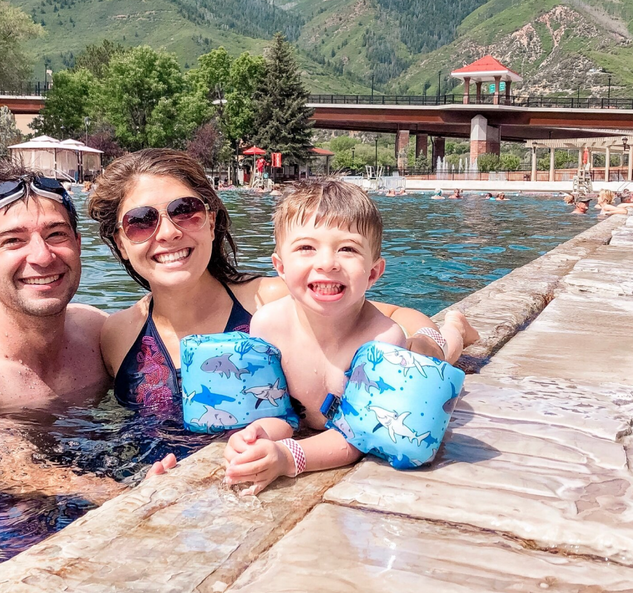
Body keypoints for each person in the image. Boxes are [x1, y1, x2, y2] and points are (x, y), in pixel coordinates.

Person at [87, 151, 472, 467]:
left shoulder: (270, 299)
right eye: (140, 222)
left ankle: (458, 331)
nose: (168, 232)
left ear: (211, 220)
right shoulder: (117, 334)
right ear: (120, 242)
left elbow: (406, 321)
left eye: (185, 210)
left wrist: (428, 352)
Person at [223, 180, 477, 495]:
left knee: (437, 350)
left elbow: (359, 436)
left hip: (410, 361)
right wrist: (256, 434)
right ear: (281, 267)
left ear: (373, 273)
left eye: (347, 249)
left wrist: (289, 457)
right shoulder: (267, 325)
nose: (327, 263)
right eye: (306, 247)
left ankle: (456, 327)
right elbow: (278, 412)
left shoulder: (383, 338)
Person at [0, 163, 110, 425]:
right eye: (13, 240)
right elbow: (5, 465)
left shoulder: (99, 332)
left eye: (56, 234)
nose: (42, 256)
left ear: (78, 244)